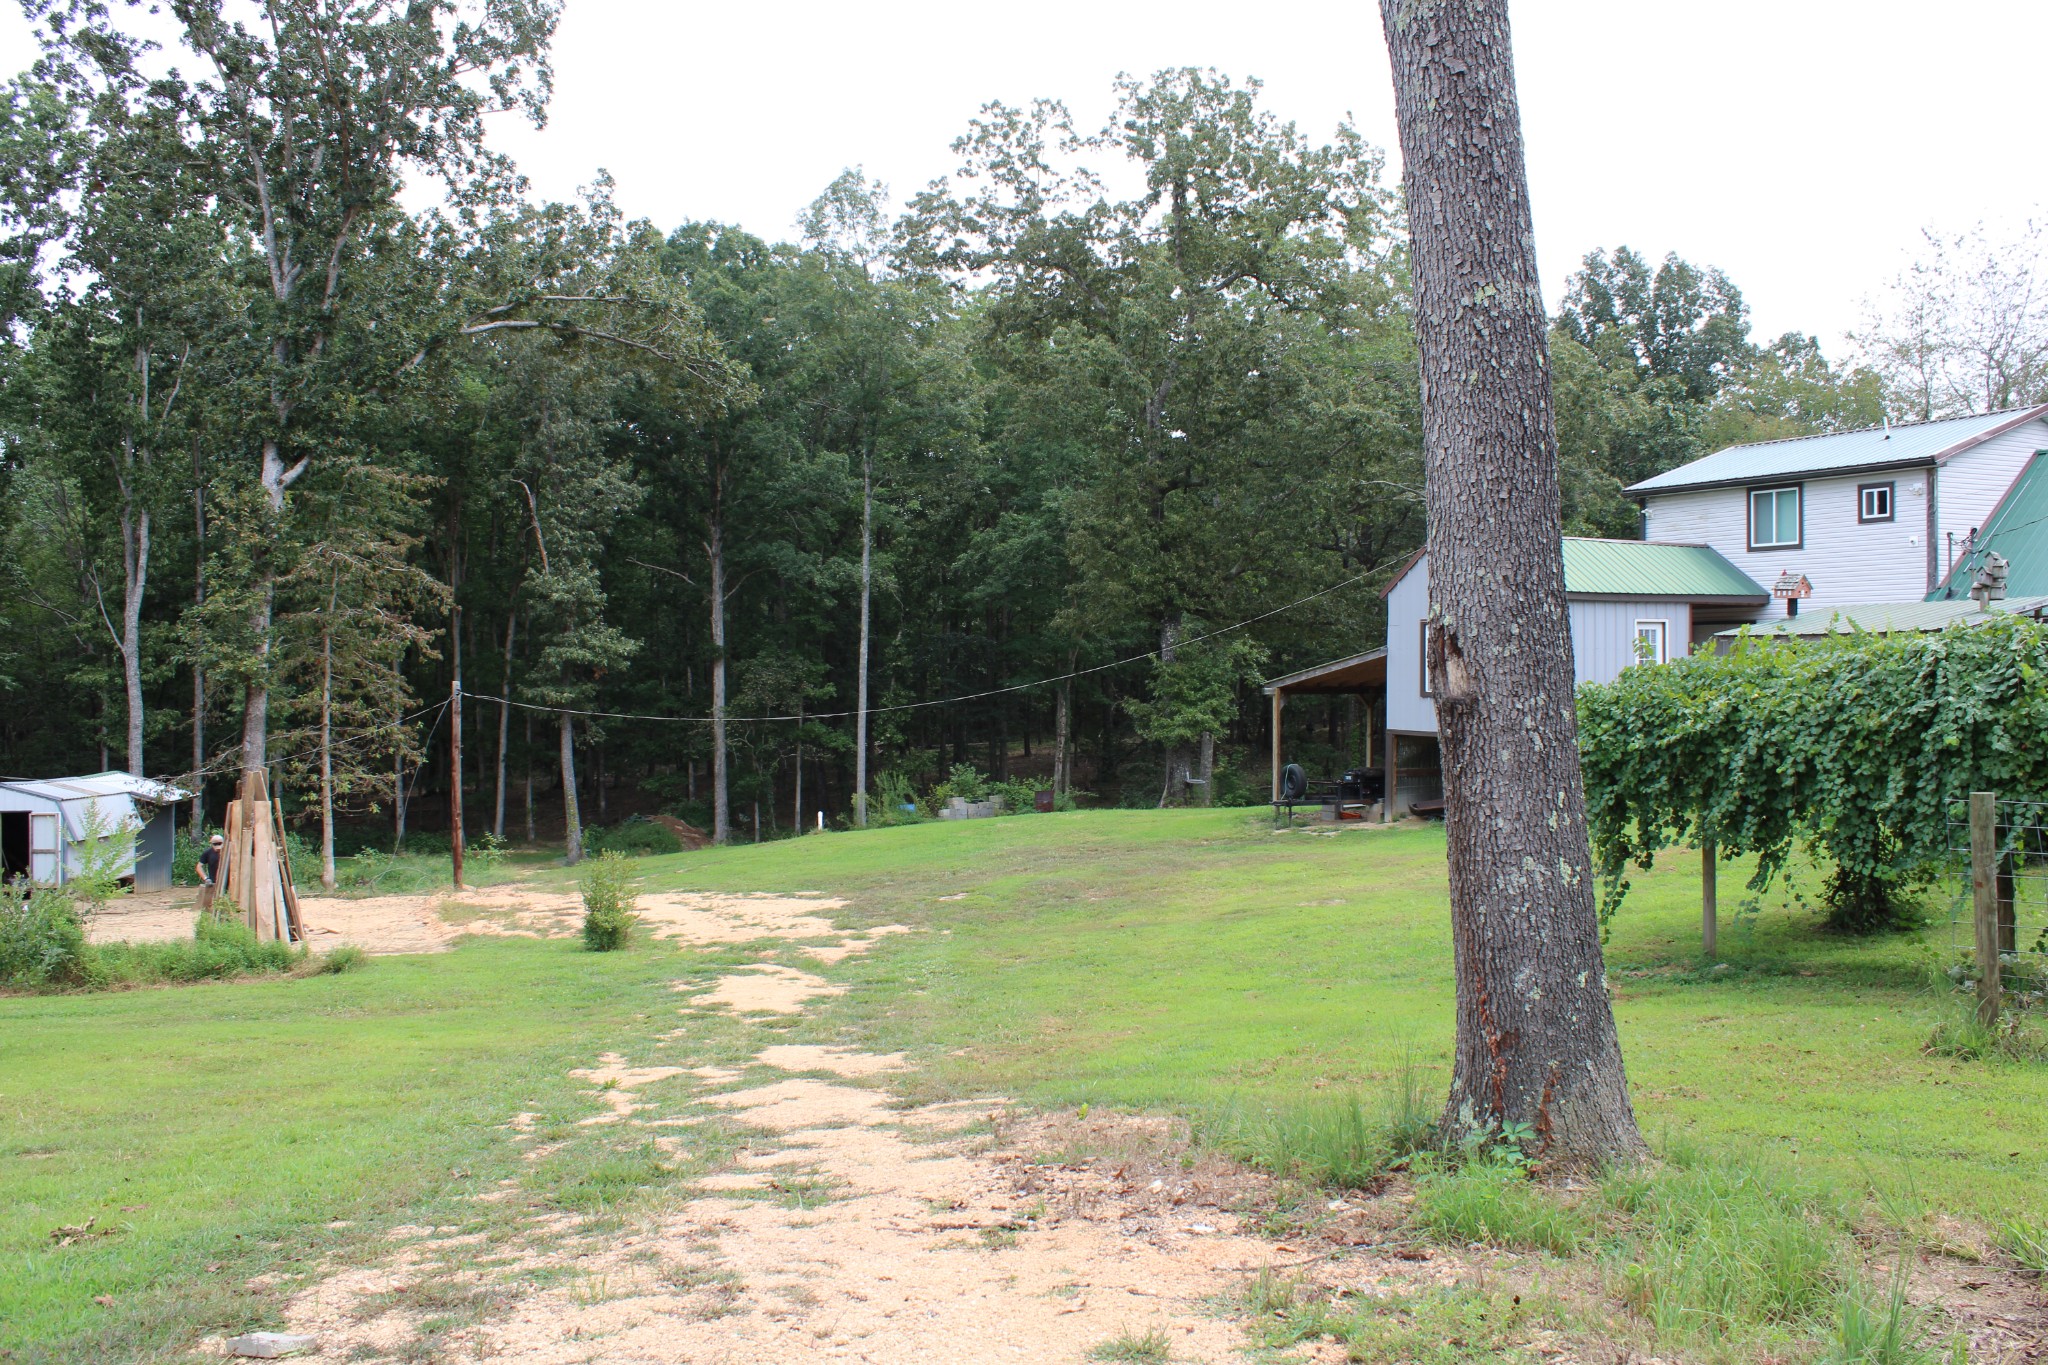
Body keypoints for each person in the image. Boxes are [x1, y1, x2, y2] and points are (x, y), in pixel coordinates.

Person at [196, 832, 224, 916]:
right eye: (215, 844)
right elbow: (199, 867)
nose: (217, 846)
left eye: (219, 843)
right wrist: (206, 878)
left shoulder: (228, 851)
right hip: (213, 882)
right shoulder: (208, 853)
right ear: (211, 844)